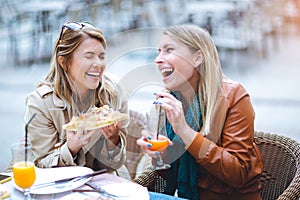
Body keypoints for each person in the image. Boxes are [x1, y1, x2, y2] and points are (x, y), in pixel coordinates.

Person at [136, 24, 263, 200]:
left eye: (169, 50)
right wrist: (160, 155)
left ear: (197, 58)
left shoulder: (233, 96)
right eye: (159, 51)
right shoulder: (171, 101)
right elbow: (174, 176)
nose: (157, 59)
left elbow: (237, 174)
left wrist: (185, 131)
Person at [23, 22, 129, 172]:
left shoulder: (113, 93)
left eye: (101, 56)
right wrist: (71, 149)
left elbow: (114, 166)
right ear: (64, 62)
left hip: (104, 185)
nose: (98, 64)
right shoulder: (40, 103)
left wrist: (113, 142)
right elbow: (40, 165)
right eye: (89, 56)